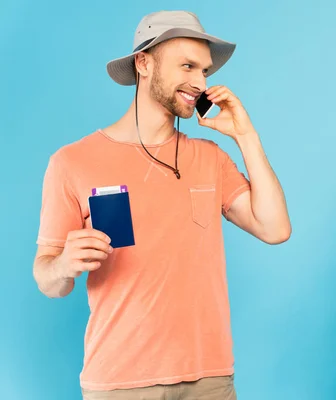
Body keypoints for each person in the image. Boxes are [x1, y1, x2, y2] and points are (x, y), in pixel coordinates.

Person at [32, 10, 291, 399]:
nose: (200, 83)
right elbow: (48, 280)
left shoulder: (210, 158)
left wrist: (246, 136)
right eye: (187, 66)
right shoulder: (72, 162)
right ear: (144, 63)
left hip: (209, 380)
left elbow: (275, 229)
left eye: (205, 71)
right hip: (119, 382)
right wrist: (64, 265)